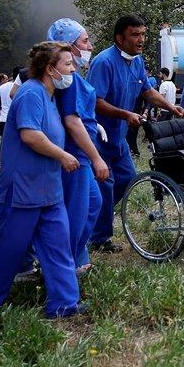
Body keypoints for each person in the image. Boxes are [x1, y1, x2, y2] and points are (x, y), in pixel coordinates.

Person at [0, 42, 82, 317]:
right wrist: (63, 156)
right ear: (50, 69)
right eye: (68, 64)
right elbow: (30, 135)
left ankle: (64, 305)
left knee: (58, 246)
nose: (73, 69)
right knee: (10, 248)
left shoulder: (49, 96)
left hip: (48, 188)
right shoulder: (31, 94)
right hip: (22, 188)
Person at [88, 15, 184, 253]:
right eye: (135, 35)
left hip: (118, 139)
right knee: (105, 184)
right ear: (120, 38)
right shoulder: (104, 62)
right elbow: (95, 102)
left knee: (128, 179)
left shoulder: (138, 61)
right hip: (99, 137)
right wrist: (125, 115)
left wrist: (171, 107)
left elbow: (147, 91)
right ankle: (98, 238)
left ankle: (95, 221)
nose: (141, 39)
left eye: (143, 34)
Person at [47, 18, 110, 272]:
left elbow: (81, 116)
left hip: (81, 151)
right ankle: (64, 266)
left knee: (93, 204)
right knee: (76, 212)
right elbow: (72, 121)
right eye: (85, 41)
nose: (90, 45)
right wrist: (97, 157)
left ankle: (76, 256)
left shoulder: (76, 76)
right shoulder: (70, 80)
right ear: (69, 46)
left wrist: (95, 125)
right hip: (76, 155)